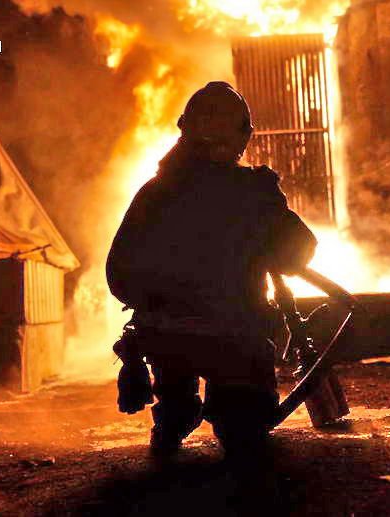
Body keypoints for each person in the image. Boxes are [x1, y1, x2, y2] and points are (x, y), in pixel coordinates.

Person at [106, 81, 317, 464]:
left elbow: (118, 273)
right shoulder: (255, 192)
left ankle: (174, 410)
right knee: (244, 427)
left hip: (166, 339)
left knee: (178, 399)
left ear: (184, 128)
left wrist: (158, 304)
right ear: (243, 136)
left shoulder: (155, 192)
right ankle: (229, 415)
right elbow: (298, 253)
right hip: (235, 339)